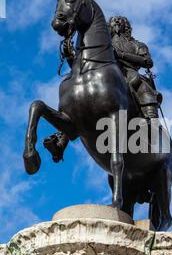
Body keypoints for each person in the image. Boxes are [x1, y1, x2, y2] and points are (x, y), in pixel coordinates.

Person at [44, 16, 162, 163]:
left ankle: (151, 125)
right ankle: (61, 140)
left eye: (118, 23)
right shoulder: (105, 44)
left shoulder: (137, 44)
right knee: (77, 91)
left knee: (143, 87)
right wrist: (71, 56)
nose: (115, 25)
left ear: (125, 26)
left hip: (130, 73)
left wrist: (121, 55)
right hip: (107, 75)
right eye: (113, 23)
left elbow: (147, 62)